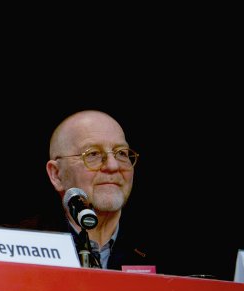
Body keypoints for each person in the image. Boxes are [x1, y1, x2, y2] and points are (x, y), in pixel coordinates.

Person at [9, 110, 157, 271]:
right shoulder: (15, 247)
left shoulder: (166, 252)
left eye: (121, 153)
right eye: (93, 154)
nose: (113, 166)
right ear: (57, 175)